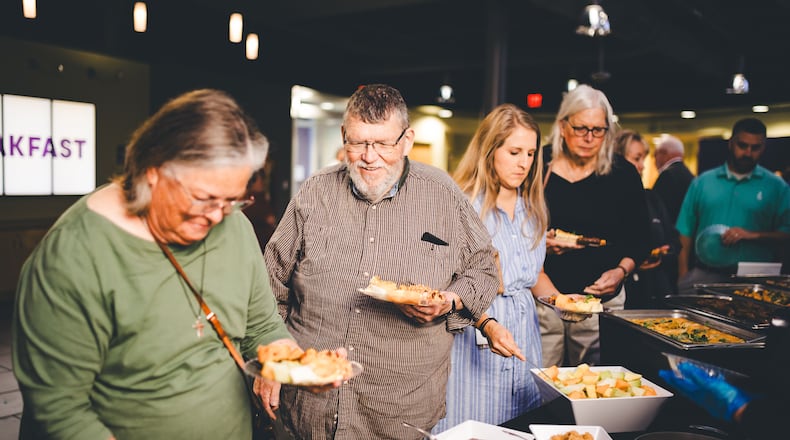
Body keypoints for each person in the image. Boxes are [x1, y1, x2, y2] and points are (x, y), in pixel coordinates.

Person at [12, 89, 303, 439]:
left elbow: (262, 326)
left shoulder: (235, 226)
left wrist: (289, 363)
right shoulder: (73, 255)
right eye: (205, 198)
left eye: (232, 200)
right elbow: (60, 409)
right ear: (154, 171)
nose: (218, 216)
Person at [263, 84, 499, 439]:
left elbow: (484, 269)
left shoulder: (443, 195)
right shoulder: (315, 192)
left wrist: (449, 301)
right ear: (344, 136)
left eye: (383, 144)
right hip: (308, 409)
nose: (369, 157)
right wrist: (272, 361)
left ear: (407, 141)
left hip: (396, 415)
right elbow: (270, 286)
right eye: (358, 143)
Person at [433, 104, 567, 431]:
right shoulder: (463, 205)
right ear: (490, 150)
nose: (524, 163)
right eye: (514, 152)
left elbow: (534, 276)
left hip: (524, 336)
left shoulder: (532, 209)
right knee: (474, 427)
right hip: (474, 336)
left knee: (519, 425)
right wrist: (487, 323)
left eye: (531, 154)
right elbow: (445, 283)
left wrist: (560, 301)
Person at [538, 84, 651, 367]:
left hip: (599, 299)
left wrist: (621, 271)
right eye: (580, 128)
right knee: (541, 375)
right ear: (563, 126)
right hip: (543, 297)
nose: (589, 138)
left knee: (593, 378)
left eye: (598, 130)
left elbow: (640, 238)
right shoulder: (538, 164)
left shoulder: (622, 172)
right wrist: (541, 244)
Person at [676, 118, 790, 291]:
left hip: (756, 281)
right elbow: (684, 231)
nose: (748, 153)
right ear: (730, 143)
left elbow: (786, 233)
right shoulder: (702, 182)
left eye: (755, 148)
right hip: (706, 275)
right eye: (742, 145)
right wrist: (683, 274)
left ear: (763, 148)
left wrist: (753, 235)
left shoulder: (777, 187)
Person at [614, 129, 679, 307]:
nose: (642, 166)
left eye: (643, 159)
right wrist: (634, 260)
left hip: (654, 291)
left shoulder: (651, 198)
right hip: (622, 294)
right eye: (637, 159)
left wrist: (663, 254)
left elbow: (674, 241)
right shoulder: (608, 201)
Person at [652, 135, 694, 226]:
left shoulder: (667, 176)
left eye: (655, 154)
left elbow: (656, 210)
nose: (654, 159)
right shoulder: (689, 175)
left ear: (663, 153)